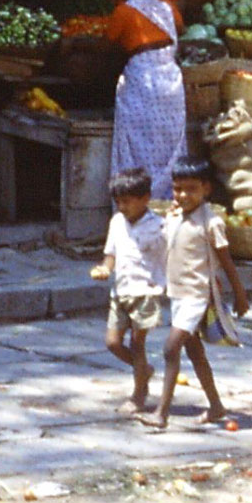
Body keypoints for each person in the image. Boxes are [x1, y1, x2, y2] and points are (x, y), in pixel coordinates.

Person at [146, 157, 249, 431]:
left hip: (197, 295)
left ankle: (161, 413)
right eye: (177, 189)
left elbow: (227, 262)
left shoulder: (211, 223)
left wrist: (240, 295)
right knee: (195, 352)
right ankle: (216, 406)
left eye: (190, 189)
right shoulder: (175, 215)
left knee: (170, 348)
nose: (182, 195)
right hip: (177, 294)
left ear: (206, 189)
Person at [105, 0, 187, 204]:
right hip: (171, 81)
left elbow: (105, 45)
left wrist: (74, 44)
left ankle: (139, 200)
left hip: (143, 81)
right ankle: (167, 200)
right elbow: (180, 29)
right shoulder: (165, 3)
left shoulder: (124, 10)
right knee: (169, 142)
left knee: (139, 142)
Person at [91, 167, 167, 415]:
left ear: (145, 199)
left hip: (147, 292)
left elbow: (173, 254)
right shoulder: (117, 222)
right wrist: (105, 268)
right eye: (118, 202)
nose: (122, 207)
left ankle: (139, 395)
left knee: (138, 343)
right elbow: (110, 253)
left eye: (127, 201)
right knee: (113, 342)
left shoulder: (159, 226)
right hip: (120, 291)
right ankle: (143, 370)